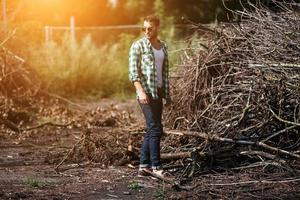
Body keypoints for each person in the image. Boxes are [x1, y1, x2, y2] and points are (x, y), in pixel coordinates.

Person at [128, 15, 171, 178]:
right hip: (145, 92)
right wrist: (140, 91)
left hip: (158, 92)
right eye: (144, 28)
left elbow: (165, 73)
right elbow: (133, 72)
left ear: (157, 27)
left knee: (152, 128)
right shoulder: (138, 46)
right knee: (155, 129)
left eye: (150, 28)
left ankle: (144, 166)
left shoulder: (163, 47)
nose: (146, 31)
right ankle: (156, 166)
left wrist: (167, 94)